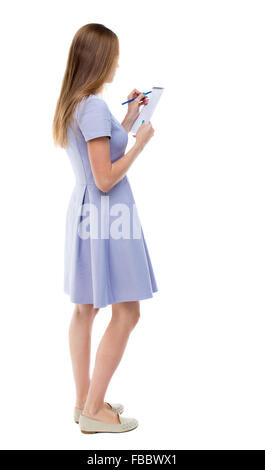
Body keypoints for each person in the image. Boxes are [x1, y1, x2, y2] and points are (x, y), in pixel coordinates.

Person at [52, 23, 158, 434]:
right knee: (127, 311)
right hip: (108, 216)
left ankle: (84, 402)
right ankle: (96, 409)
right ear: (100, 58)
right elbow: (105, 179)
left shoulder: (75, 103)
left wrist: (128, 118)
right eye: (113, 53)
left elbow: (96, 156)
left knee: (85, 308)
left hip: (86, 215)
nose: (117, 61)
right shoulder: (93, 106)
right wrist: (140, 143)